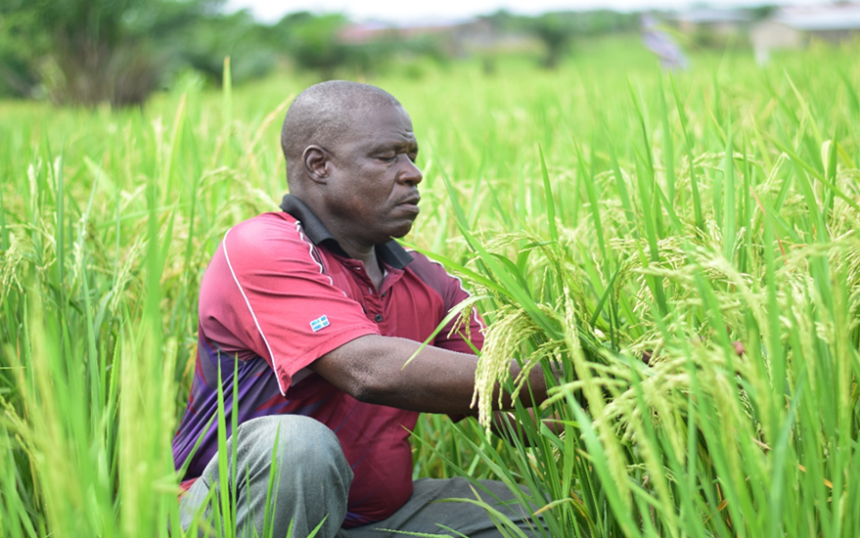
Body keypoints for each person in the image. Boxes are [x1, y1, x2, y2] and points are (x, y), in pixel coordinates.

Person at [172, 81, 554, 538]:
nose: (413, 173)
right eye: (387, 156)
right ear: (319, 166)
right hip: (236, 518)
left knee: (545, 514)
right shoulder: (261, 248)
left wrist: (623, 397)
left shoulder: (431, 281)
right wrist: (572, 372)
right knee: (293, 446)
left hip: (374, 521)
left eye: (411, 155)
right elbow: (370, 371)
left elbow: (508, 405)